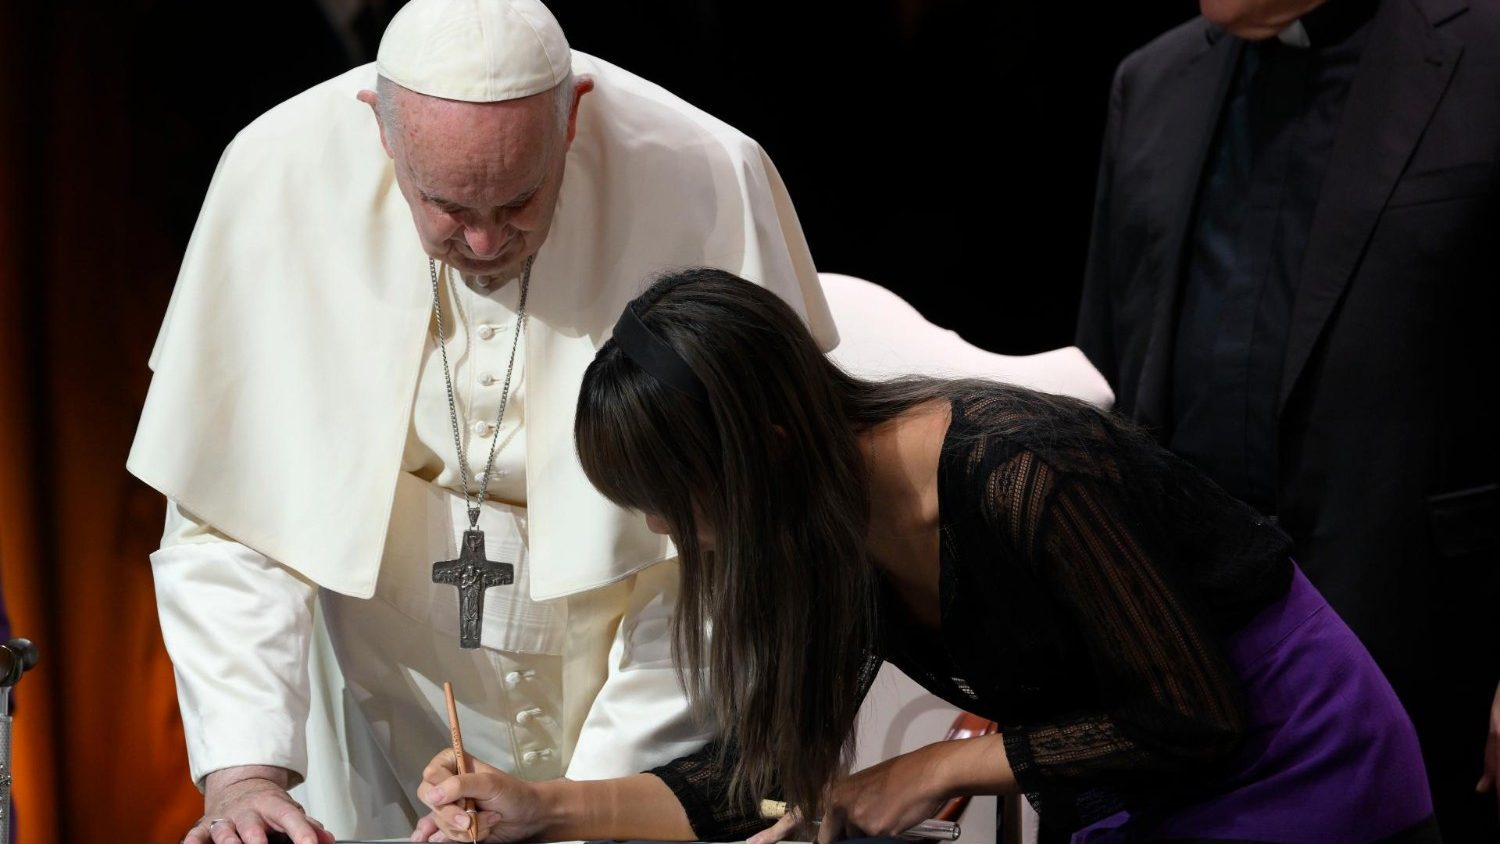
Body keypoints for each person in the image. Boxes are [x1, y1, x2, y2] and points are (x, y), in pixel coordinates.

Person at [126, 0, 839, 841]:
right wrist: (244, 774)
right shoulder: (275, 169)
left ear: (574, 112)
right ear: (381, 131)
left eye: (521, 199)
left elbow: (730, 541)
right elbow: (231, 513)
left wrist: (590, 807)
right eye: (446, 205)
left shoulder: (708, 172)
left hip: (649, 672)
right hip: (378, 682)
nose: (485, 239)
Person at [412, 268, 1438, 843]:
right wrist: (544, 805)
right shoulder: (823, 531)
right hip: (1151, 781)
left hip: (1295, 755)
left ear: (762, 446)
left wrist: (936, 766)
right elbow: (770, 775)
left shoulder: (1024, 471)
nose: (680, 538)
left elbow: (1194, 713)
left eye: (679, 504)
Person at [1072, 0, 1500, 836]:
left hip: (1419, 644)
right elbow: (1100, 385)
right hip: (1185, 669)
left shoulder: (1485, 54)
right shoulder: (1153, 82)